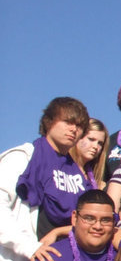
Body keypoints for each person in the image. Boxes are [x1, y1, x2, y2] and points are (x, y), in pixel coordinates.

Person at [15, 97, 90, 239]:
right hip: (26, 251)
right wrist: (28, 248)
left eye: (79, 126)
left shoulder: (78, 175)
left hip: (65, 252)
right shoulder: (24, 157)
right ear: (49, 122)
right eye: (68, 122)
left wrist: (58, 233)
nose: (73, 129)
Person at [71, 118, 108, 191]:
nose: (95, 146)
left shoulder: (99, 184)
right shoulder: (60, 167)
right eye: (91, 139)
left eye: (100, 143)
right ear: (78, 137)